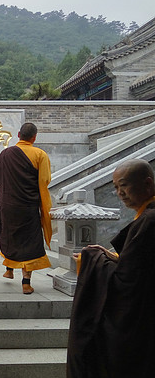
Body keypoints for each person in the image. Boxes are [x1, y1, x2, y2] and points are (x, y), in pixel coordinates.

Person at [67, 159, 155, 378]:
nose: (119, 193)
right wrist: (116, 258)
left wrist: (90, 262)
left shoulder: (150, 221)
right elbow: (139, 268)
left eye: (124, 185)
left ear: (147, 184)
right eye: (115, 187)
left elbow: (127, 285)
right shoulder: (147, 216)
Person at [0, 122, 52, 294]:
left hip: (9, 204)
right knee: (29, 242)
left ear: (18, 135)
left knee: (9, 235)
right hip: (28, 205)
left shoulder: (5, 154)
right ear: (34, 137)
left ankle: (9, 269)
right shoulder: (39, 154)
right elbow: (45, 180)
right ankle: (26, 282)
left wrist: (7, 189)